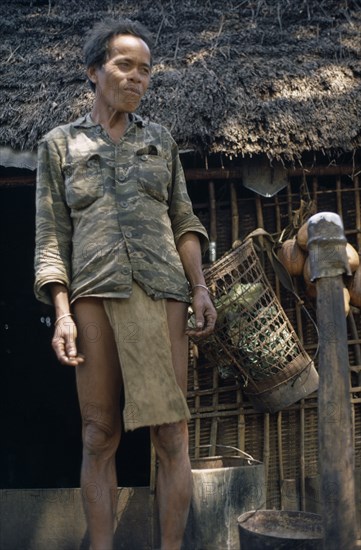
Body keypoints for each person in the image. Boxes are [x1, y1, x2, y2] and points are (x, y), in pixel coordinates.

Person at [34, 17, 217, 550]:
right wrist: (62, 312)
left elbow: (184, 222)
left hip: (163, 294)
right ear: (94, 71)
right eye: (124, 66)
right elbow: (52, 235)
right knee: (99, 435)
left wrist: (200, 287)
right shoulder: (58, 145)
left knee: (171, 431)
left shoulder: (160, 142)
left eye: (145, 71)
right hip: (93, 295)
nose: (137, 78)